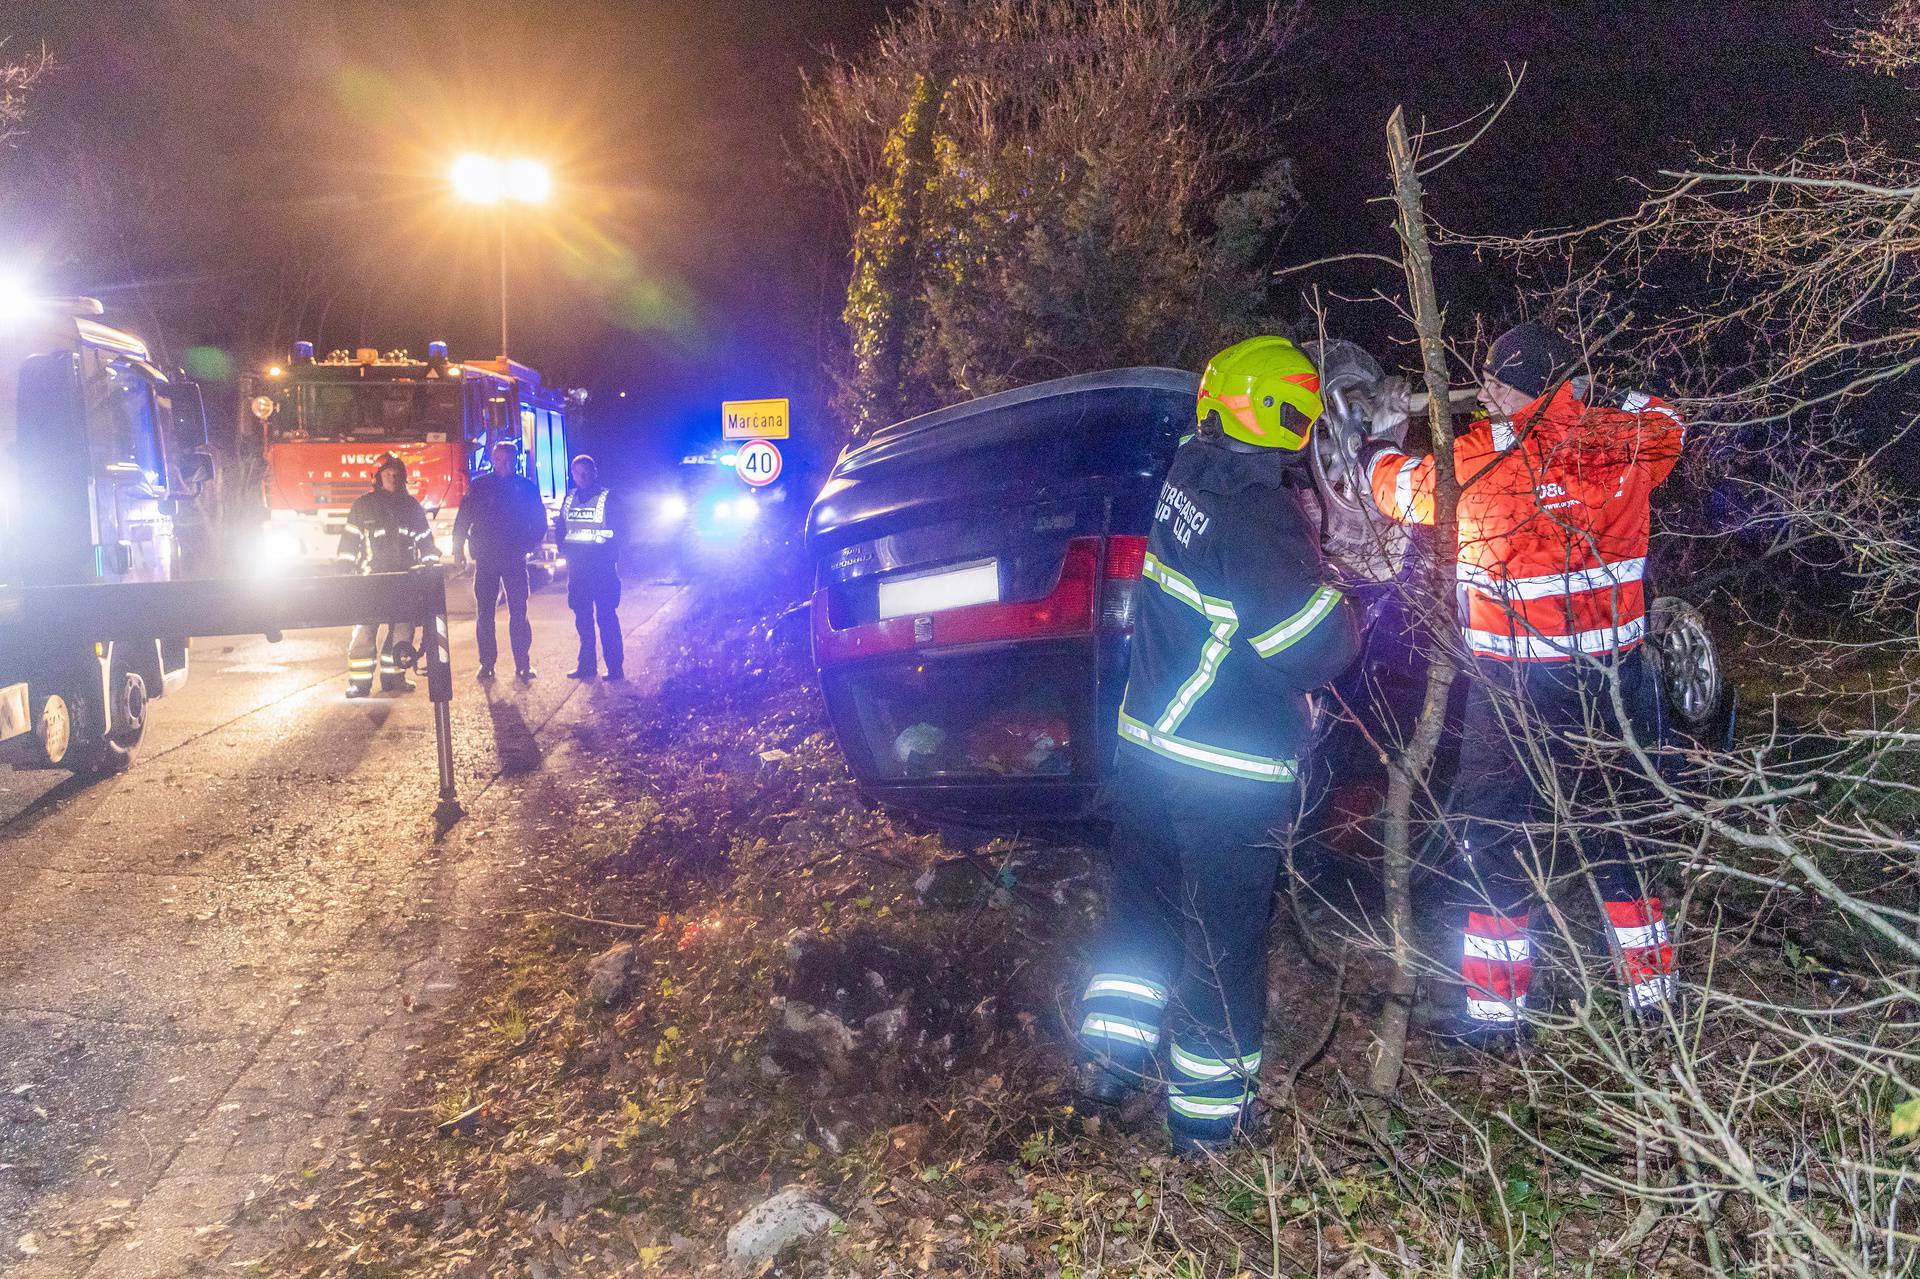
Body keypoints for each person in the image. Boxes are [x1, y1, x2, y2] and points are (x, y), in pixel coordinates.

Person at [1360, 321, 1684, 1039]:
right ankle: (1655, 1002)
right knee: (1621, 837)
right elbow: (1670, 423)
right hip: (1616, 685)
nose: (1487, 396)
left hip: (1514, 694)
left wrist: (1379, 438)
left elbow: (1395, 491)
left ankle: (1498, 1018)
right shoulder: (1625, 441)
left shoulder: (1477, 461)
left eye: (1497, 383)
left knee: (1497, 841)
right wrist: (1611, 396)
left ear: (1519, 385)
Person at [1077, 337, 1361, 1153]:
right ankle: (1208, 1128)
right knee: (1223, 945)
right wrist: (1347, 597)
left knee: (1143, 914)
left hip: (1146, 753)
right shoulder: (1257, 513)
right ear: (1289, 417)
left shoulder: (1186, 474)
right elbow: (1313, 648)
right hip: (1223, 773)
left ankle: (1108, 1061)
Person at [338, 454, 439, 698]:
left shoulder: (411, 506)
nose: (392, 478)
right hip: (371, 580)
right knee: (365, 633)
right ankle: (359, 684)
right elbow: (349, 541)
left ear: (402, 477)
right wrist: (344, 571)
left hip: (405, 580)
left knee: (402, 633)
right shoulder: (363, 505)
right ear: (378, 478)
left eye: (396, 474)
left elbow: (425, 541)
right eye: (387, 474)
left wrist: (429, 568)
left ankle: (394, 678)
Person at [453, 440, 548, 681]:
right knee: (485, 614)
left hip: (514, 557)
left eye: (507, 459)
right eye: (498, 459)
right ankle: (487, 664)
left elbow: (539, 519)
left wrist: (530, 544)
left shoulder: (526, 488)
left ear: (515, 461)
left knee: (519, 611)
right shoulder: (480, 487)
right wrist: (458, 549)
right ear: (493, 460)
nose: (502, 464)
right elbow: (463, 518)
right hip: (486, 558)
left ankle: (522, 664)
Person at [555, 454, 624, 681]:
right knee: (582, 619)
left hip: (602, 569)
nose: (582, 477)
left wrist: (610, 556)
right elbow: (561, 528)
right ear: (572, 474)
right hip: (578, 571)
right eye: (577, 473)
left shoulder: (608, 498)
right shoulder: (569, 497)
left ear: (595, 472)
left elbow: (620, 532)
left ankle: (615, 668)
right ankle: (586, 667)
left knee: (606, 618)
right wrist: (564, 549)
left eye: (586, 472)